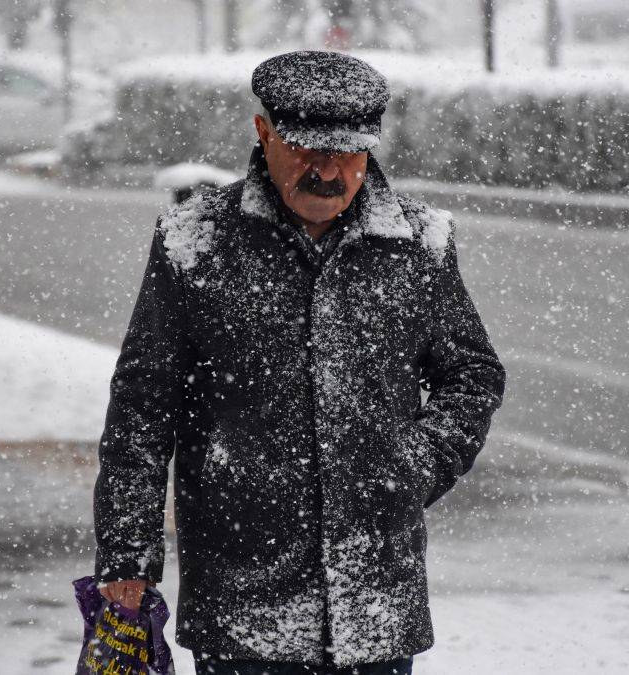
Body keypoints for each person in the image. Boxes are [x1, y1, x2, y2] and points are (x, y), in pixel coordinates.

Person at [93, 51, 506, 675]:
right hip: (242, 606)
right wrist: (128, 553)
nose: (330, 171)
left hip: (375, 604)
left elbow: (473, 377)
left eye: (348, 153)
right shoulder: (196, 240)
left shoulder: (420, 243)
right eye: (309, 149)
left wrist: (414, 465)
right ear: (264, 133)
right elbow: (144, 406)